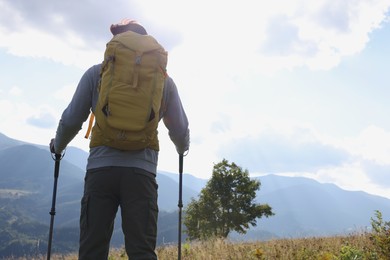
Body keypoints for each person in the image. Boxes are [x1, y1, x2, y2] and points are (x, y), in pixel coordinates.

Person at [50, 19, 190, 260]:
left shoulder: (97, 74)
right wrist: (182, 149)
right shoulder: (163, 80)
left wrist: (58, 146)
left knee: (93, 250)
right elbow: (179, 127)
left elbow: (72, 119)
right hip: (141, 173)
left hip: (100, 171)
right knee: (142, 251)